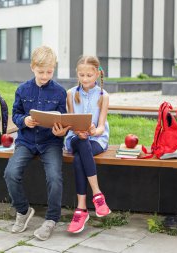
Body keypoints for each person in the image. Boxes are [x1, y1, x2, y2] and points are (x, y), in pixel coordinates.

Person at [4, 45, 70, 241]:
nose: (44, 76)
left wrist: (62, 130)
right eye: (41, 71)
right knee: (10, 173)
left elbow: (64, 118)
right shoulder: (22, 89)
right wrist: (24, 121)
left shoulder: (59, 92)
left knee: (55, 178)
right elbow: (15, 114)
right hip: (26, 140)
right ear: (33, 67)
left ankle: (51, 219)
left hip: (51, 142)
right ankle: (23, 210)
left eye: (49, 72)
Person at [65, 56, 111, 234]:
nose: (85, 79)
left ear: (97, 74)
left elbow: (101, 127)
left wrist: (93, 131)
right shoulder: (70, 94)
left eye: (89, 75)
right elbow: (69, 122)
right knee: (81, 142)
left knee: (79, 159)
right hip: (74, 139)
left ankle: (81, 209)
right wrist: (77, 131)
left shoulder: (103, 96)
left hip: (96, 140)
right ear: (77, 74)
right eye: (81, 75)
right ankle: (97, 194)